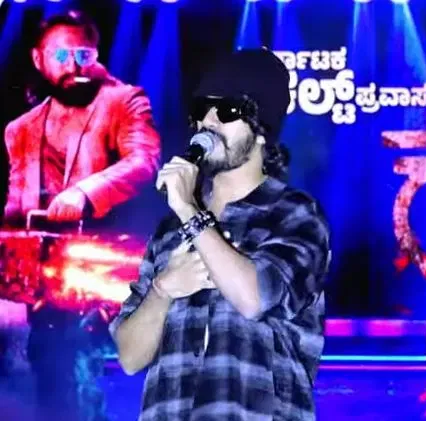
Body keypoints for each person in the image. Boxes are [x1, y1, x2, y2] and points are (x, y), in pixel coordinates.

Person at [110, 48, 331, 420]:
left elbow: (254, 298)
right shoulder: (170, 231)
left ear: (261, 131)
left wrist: (189, 211)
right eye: (202, 109)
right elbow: (130, 357)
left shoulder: (294, 214)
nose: (208, 122)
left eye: (227, 110)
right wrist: (162, 290)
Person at [0, 10, 161, 421]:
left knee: (86, 377)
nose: (74, 65)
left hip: (99, 278)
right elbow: (16, 208)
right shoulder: (21, 128)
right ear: (38, 59)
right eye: (61, 55)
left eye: (84, 54)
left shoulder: (123, 100)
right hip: (38, 287)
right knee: (44, 373)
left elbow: (143, 161)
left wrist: (85, 193)